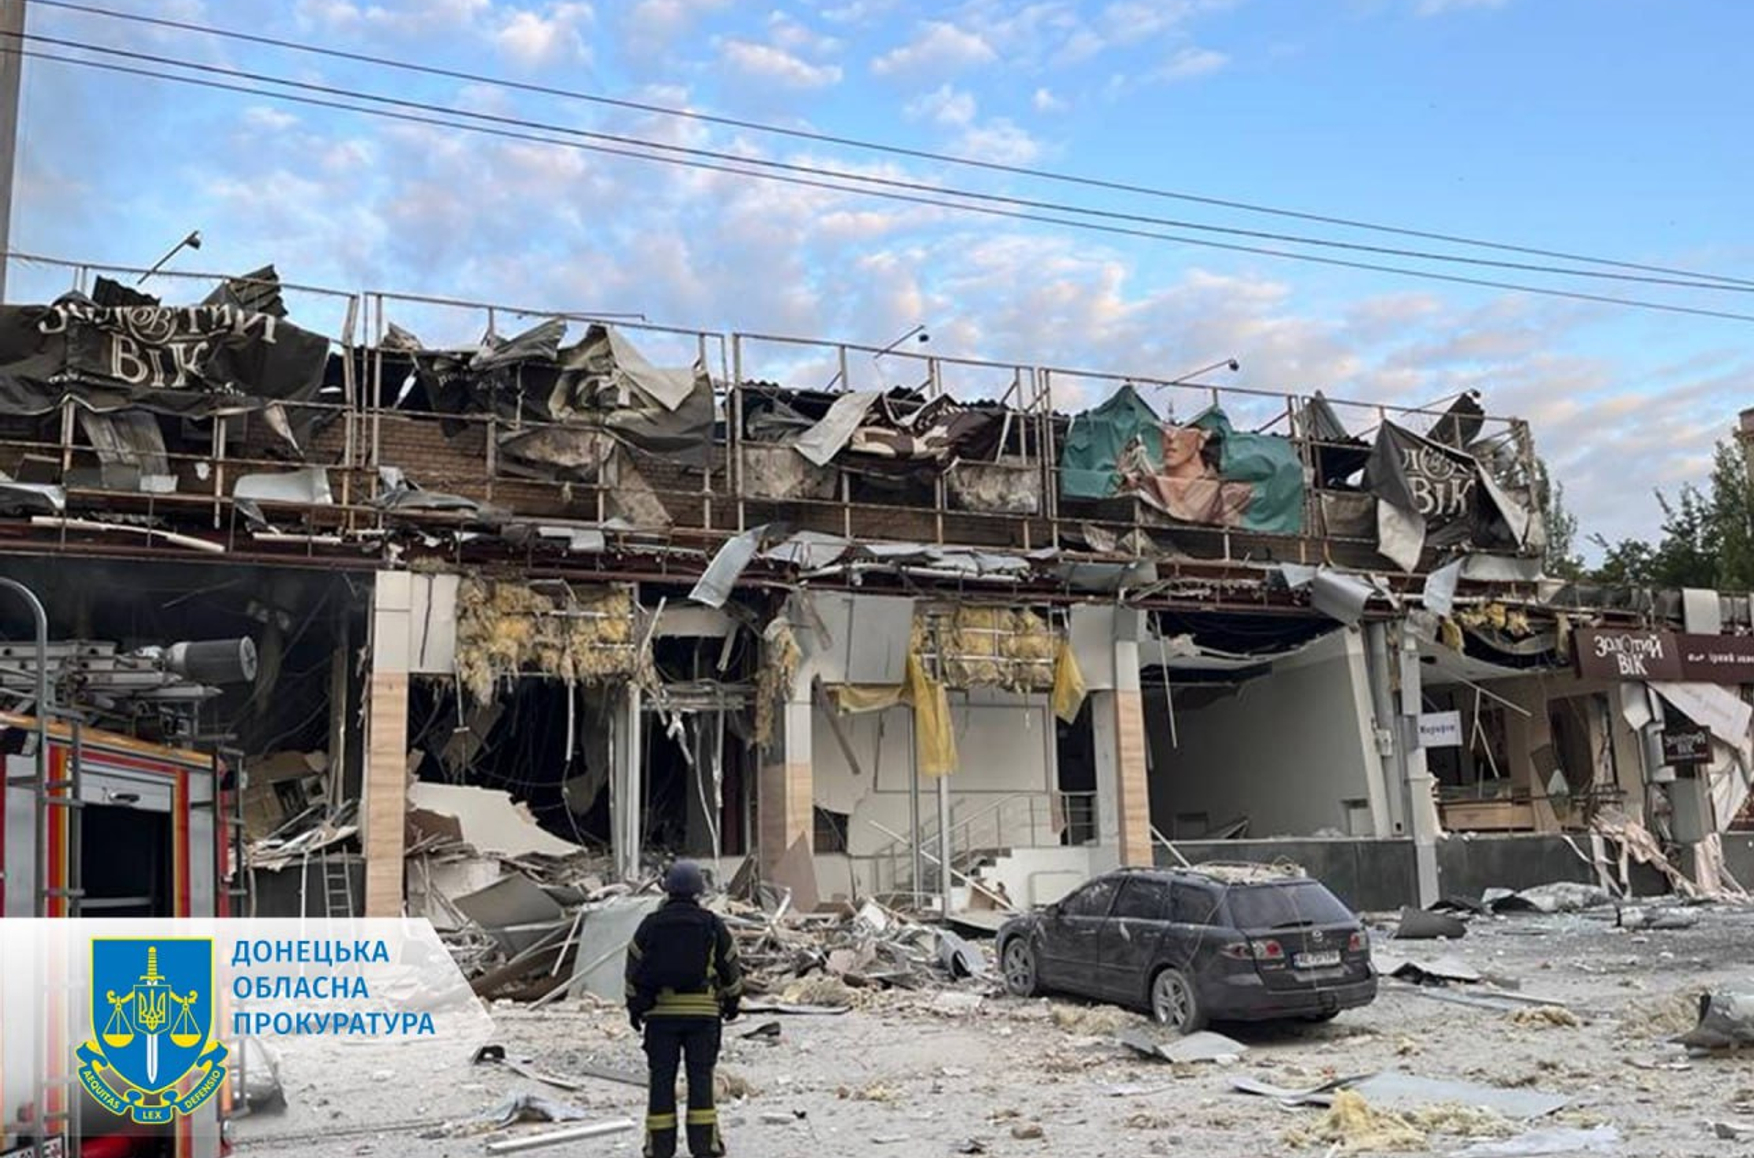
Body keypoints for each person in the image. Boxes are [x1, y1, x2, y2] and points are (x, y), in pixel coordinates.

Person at [625, 861, 743, 1158]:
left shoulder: (651, 924)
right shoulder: (712, 924)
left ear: (667, 889)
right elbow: (730, 964)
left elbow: (633, 967)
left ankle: (659, 1147)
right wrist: (732, 1000)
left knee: (661, 1081)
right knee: (701, 1079)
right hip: (703, 1016)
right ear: (698, 891)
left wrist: (635, 1007)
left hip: (661, 1017)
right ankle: (705, 1146)